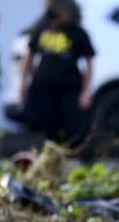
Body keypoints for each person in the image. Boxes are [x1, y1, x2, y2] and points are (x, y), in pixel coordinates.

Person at [20, 0, 95, 149]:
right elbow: (29, 56)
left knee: (73, 127)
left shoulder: (77, 33)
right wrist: (22, 82)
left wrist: (85, 92)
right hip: (43, 88)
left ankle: (72, 155)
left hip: (69, 88)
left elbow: (89, 64)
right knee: (47, 127)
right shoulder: (42, 29)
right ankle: (50, 157)